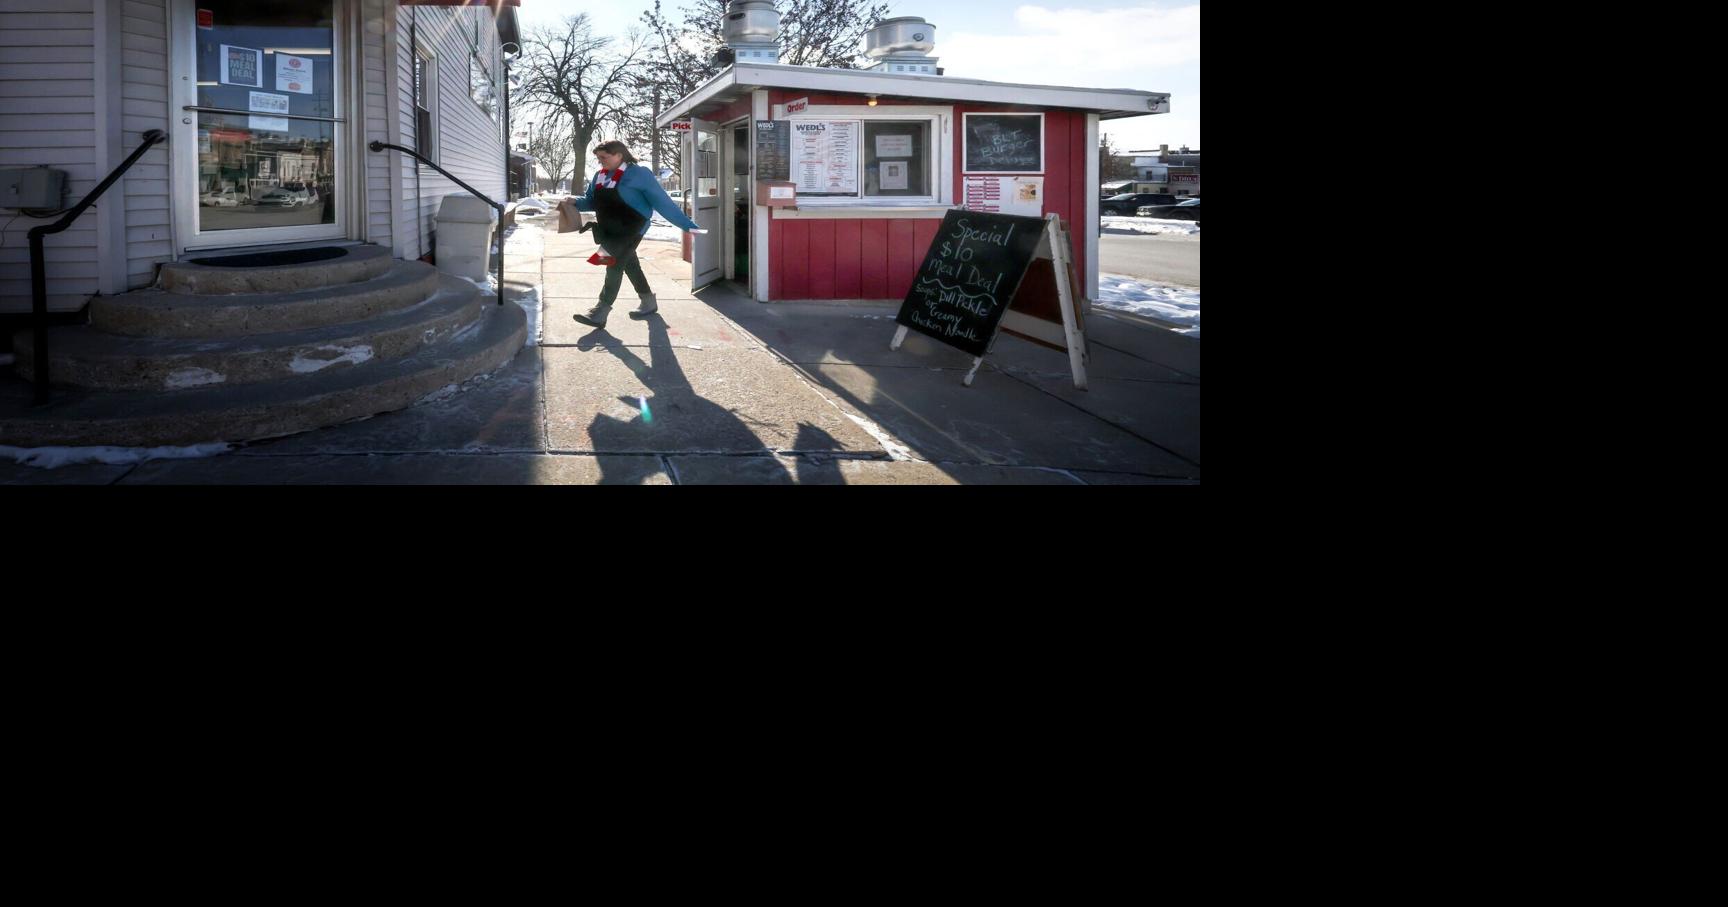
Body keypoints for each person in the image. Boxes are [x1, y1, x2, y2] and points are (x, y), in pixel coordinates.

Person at [566, 141, 703, 328]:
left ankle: (601, 311)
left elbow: (663, 202)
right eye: (598, 158)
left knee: (612, 264)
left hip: (632, 228)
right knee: (629, 263)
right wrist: (575, 202)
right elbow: (591, 201)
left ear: (619, 155)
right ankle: (648, 300)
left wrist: (688, 226)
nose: (600, 162)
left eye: (604, 157)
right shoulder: (600, 176)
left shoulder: (639, 174)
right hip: (610, 230)